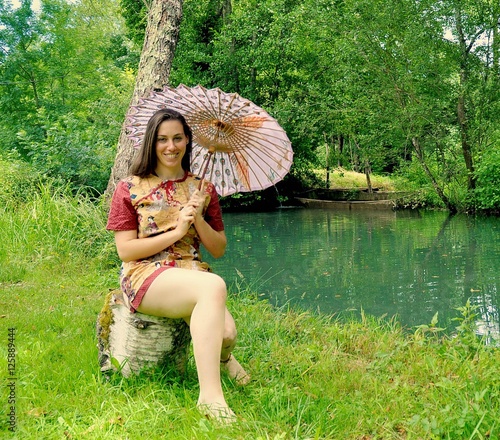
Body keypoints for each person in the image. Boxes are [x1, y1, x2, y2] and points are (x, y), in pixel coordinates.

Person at [106, 108, 249, 422]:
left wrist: (197, 219)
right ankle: (210, 398)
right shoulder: (129, 188)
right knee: (213, 286)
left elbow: (219, 249)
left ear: (187, 142)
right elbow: (126, 251)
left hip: (190, 271)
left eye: (177, 138)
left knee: (225, 334)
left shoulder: (203, 189)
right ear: (151, 143)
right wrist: (178, 231)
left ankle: (225, 359)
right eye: (162, 139)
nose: (170, 146)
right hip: (145, 271)